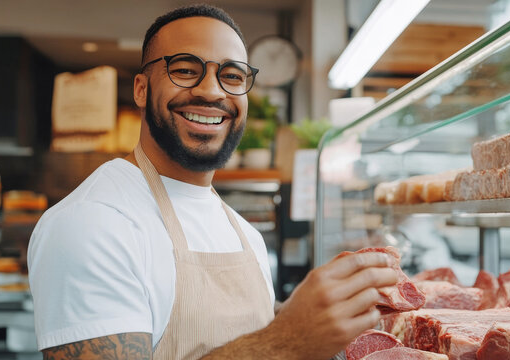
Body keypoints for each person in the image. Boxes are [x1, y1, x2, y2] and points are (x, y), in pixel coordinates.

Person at [27, 4, 398, 359]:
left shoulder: (245, 234)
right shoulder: (93, 222)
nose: (212, 91)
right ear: (141, 89)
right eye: (185, 70)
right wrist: (287, 340)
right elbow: (276, 346)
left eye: (232, 76)